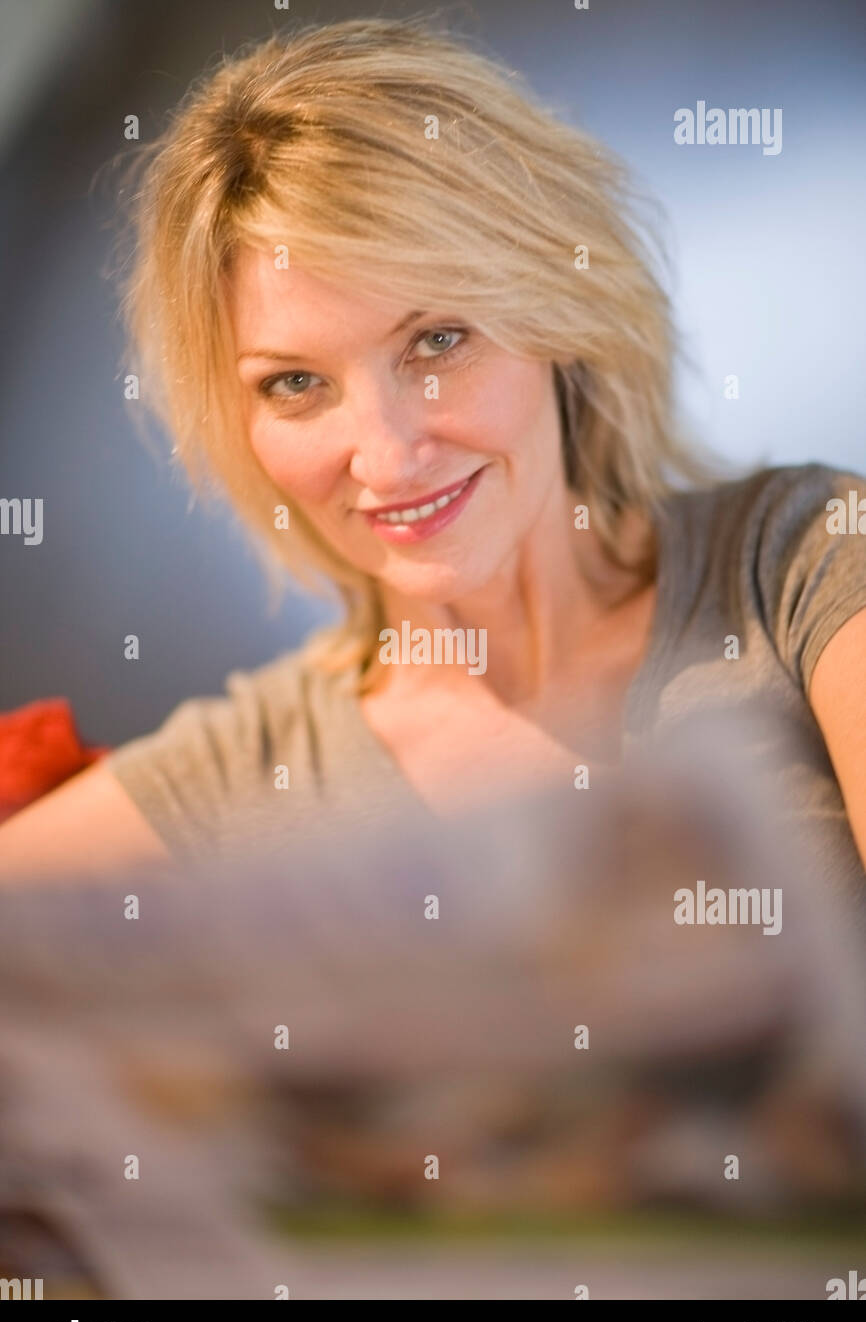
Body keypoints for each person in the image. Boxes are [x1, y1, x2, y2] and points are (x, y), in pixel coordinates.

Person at [1, 16, 865, 894]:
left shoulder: (799, 561)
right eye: (294, 384)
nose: (385, 456)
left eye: (438, 340)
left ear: (555, 310)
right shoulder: (237, 777)